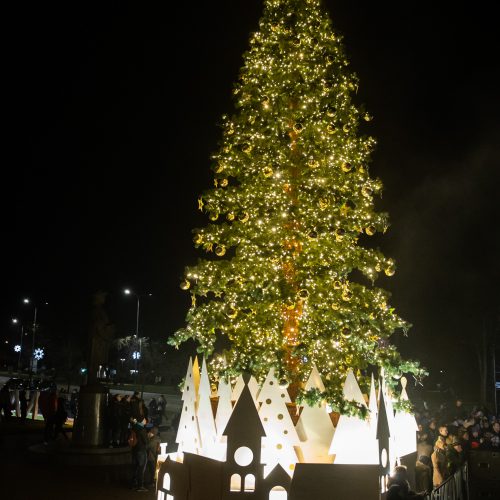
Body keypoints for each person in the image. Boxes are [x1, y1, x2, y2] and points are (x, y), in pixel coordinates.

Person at [131, 417, 149, 491]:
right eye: (144, 420)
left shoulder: (134, 428)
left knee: (134, 468)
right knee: (141, 469)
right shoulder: (142, 430)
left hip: (134, 450)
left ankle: (133, 485)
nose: (145, 422)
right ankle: (140, 486)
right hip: (141, 451)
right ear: (141, 422)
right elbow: (146, 441)